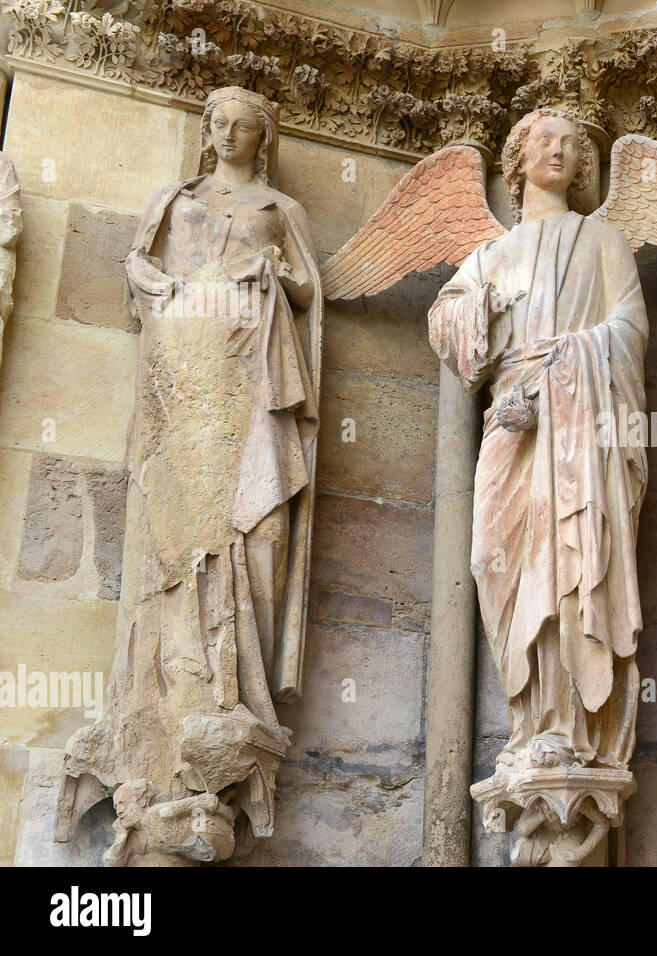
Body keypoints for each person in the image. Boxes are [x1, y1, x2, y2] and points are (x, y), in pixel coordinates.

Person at [61, 86, 321, 864]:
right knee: (169, 542)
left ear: (262, 136)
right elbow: (139, 264)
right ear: (208, 132)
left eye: (247, 125)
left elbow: (312, 292)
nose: (232, 132)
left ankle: (224, 699)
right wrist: (163, 291)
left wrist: (274, 268)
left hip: (247, 363)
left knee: (247, 530)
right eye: (221, 123)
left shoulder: (281, 207)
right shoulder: (174, 198)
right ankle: (157, 734)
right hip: (183, 363)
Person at [428, 108, 648, 772]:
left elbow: (631, 327)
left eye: (569, 145)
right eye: (542, 142)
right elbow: (446, 323)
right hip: (512, 423)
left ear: (583, 163)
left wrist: (569, 360)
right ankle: (525, 720)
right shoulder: (490, 255)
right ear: (518, 162)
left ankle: (568, 726)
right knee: (495, 557)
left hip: (580, 426)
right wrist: (480, 312)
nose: (556, 152)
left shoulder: (601, 241)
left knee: (568, 561)